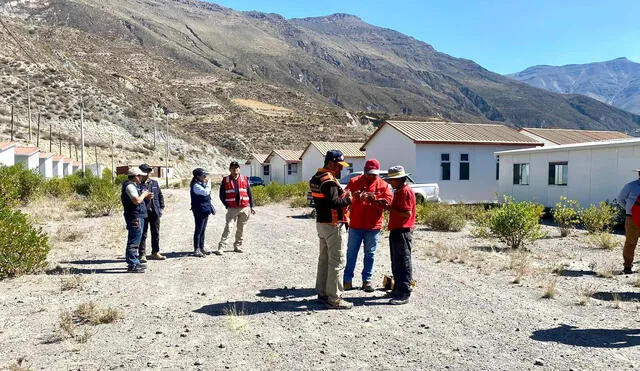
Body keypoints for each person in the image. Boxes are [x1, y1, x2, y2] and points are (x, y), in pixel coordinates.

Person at [310, 150, 353, 309]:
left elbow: (328, 200)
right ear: (330, 164)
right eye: (338, 166)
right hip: (334, 224)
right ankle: (334, 298)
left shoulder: (316, 178)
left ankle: (322, 293)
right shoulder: (328, 180)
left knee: (324, 260)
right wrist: (349, 199)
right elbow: (335, 202)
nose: (341, 169)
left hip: (322, 223)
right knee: (337, 262)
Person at [343, 159, 393, 292]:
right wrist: (354, 196)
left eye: (374, 173)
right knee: (351, 253)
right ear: (364, 170)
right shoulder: (354, 182)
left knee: (370, 254)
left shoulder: (383, 185)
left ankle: (367, 281)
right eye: (369, 173)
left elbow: (388, 204)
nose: (372, 176)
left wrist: (375, 199)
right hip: (355, 225)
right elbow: (344, 198)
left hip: (373, 226)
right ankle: (347, 280)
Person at [376, 165, 416, 305]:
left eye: (392, 179)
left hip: (403, 230)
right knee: (396, 261)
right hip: (397, 229)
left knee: (403, 262)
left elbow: (407, 213)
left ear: (399, 179)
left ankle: (404, 292)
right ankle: (398, 289)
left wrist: (389, 208)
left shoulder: (405, 192)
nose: (390, 182)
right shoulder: (399, 191)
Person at [216, 161, 255, 254]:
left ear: (239, 169)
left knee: (241, 229)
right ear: (230, 169)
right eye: (233, 168)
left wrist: (251, 206)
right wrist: (226, 204)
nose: (235, 169)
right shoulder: (225, 180)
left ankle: (238, 246)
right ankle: (222, 247)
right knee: (229, 227)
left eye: (237, 168)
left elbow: (249, 193)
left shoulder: (245, 179)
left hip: (244, 208)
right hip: (232, 208)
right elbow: (221, 195)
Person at [121, 167, 150, 273]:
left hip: (137, 215)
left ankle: (135, 262)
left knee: (136, 239)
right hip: (134, 216)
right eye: (140, 176)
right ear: (136, 176)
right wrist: (144, 194)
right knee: (134, 240)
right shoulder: (129, 186)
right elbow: (137, 201)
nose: (142, 177)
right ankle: (132, 264)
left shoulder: (133, 185)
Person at [138, 163, 166, 261]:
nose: (148, 173)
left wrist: (161, 208)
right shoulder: (137, 184)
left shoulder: (154, 183)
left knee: (156, 232)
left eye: (149, 171)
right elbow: (136, 199)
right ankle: (142, 254)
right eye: (146, 171)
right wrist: (145, 198)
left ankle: (155, 252)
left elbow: (160, 195)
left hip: (155, 212)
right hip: (143, 212)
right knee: (143, 234)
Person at [617, 169, 640, 274]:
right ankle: (627, 266)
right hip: (631, 218)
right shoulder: (630, 186)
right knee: (631, 242)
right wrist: (629, 209)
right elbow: (620, 199)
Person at [190, 168, 216, 257]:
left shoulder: (201, 184)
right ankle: (196, 249)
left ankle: (201, 248)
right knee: (198, 229)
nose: (205, 177)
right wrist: (209, 184)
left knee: (203, 230)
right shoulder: (196, 186)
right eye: (203, 175)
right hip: (199, 210)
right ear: (197, 176)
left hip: (204, 210)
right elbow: (206, 192)